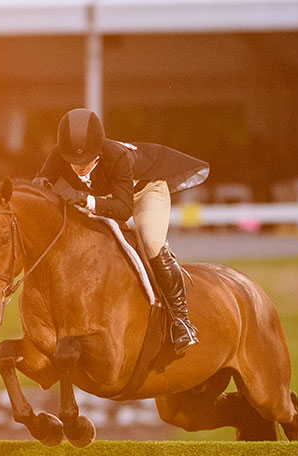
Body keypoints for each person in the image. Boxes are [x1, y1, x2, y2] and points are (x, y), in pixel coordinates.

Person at [36, 108, 208, 354]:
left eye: (86, 160)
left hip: (143, 193)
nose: (79, 167)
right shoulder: (59, 155)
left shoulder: (117, 157)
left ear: (99, 150)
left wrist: (84, 199)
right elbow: (40, 183)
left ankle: (181, 321)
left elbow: (124, 209)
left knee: (149, 240)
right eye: (73, 161)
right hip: (105, 197)